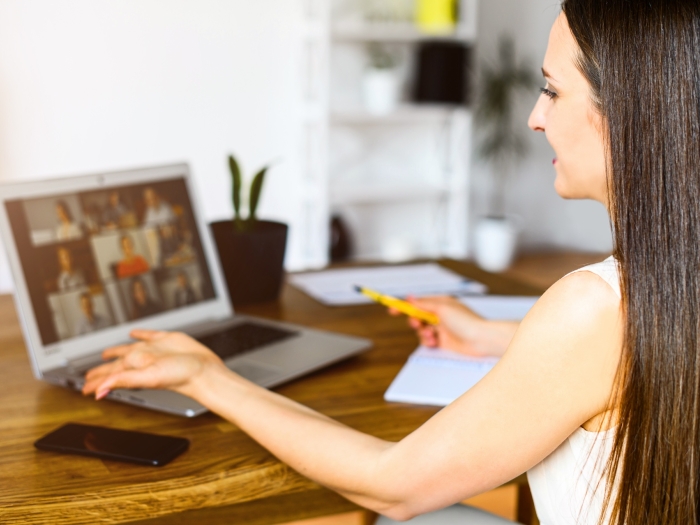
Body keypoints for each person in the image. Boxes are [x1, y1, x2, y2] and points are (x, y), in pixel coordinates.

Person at [83, 2, 699, 523]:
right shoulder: (664, 286)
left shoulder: (590, 306)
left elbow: (392, 484)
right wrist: (492, 334)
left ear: (631, 113)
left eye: (552, 90)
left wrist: (203, 376)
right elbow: (640, 354)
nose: (535, 117)